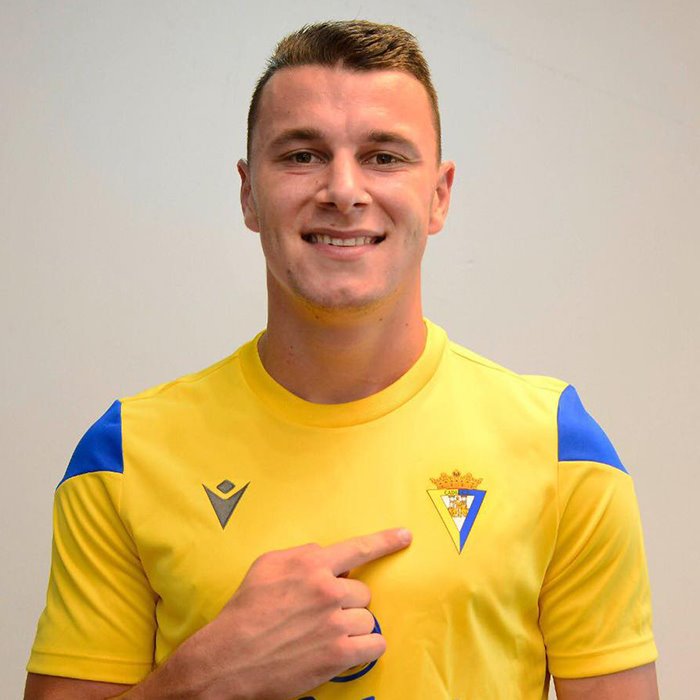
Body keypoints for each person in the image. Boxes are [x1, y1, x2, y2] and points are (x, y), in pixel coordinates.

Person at [25, 20, 658, 700]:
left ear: (439, 194)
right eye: (302, 155)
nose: (344, 190)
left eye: (384, 157)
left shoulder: (560, 448)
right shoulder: (125, 453)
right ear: (248, 193)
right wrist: (207, 679)